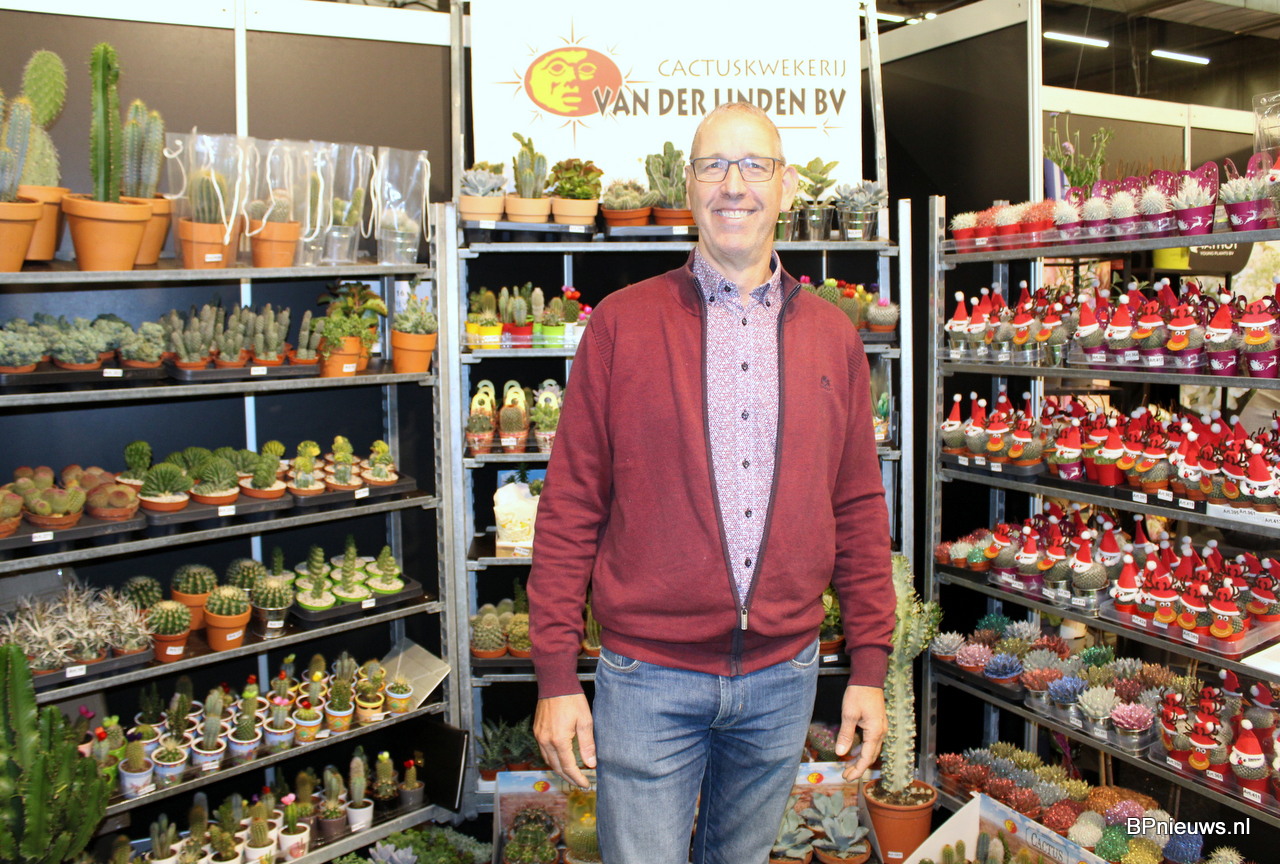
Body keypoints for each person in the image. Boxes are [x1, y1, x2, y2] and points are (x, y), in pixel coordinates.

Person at [528, 102, 895, 864]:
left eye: (754, 165)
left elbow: (858, 507)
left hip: (783, 680)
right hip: (648, 679)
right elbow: (570, 505)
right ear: (688, 187)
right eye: (712, 166)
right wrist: (557, 677)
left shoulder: (833, 336)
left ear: (785, 186)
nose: (734, 185)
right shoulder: (621, 326)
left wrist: (869, 666)